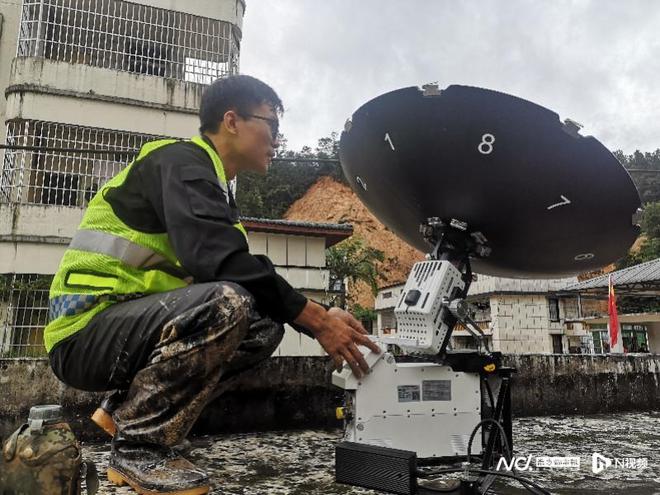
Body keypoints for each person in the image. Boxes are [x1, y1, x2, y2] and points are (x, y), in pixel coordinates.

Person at [44, 75, 380, 495]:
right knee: (229, 303)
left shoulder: (211, 184)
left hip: (124, 329)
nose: (277, 140)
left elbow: (236, 267)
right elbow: (217, 260)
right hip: (85, 333)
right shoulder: (182, 162)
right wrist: (316, 319)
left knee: (262, 324)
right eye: (271, 125)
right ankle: (139, 449)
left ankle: (127, 412)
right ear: (232, 121)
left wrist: (314, 316)